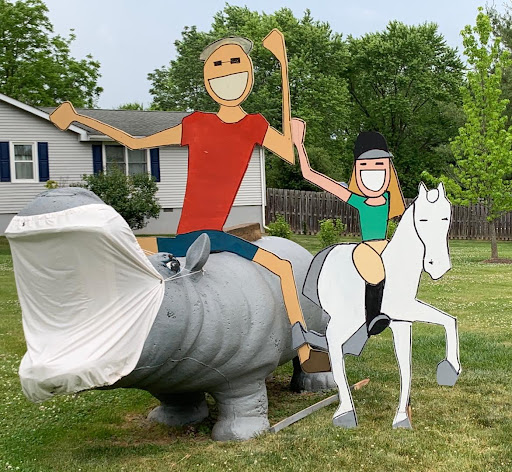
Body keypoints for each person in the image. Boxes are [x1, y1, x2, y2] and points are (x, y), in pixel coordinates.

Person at [49, 31, 330, 373]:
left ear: (249, 74)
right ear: (208, 79)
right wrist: (78, 117)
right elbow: (135, 142)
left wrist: (284, 67)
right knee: (112, 250)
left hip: (212, 237)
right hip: (190, 238)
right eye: (219, 66)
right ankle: (92, 331)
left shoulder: (254, 126)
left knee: (283, 268)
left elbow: (287, 151)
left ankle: (306, 352)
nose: (229, 73)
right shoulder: (196, 124)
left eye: (236, 65)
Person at [291, 118, 405, 336]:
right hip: (366, 248)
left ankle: (397, 305)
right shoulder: (358, 200)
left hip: (384, 245)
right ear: (356, 172)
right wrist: (299, 144)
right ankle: (373, 318)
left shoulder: (390, 199)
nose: (373, 174)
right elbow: (310, 175)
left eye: (379, 166)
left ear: (389, 171)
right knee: (372, 266)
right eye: (365, 168)